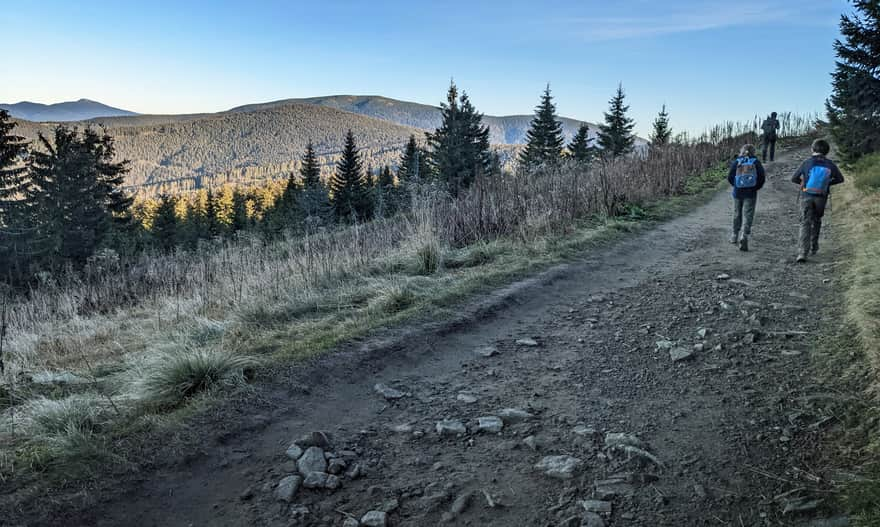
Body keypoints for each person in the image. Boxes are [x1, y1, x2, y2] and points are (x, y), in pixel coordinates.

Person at [791, 139, 844, 262]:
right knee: (816, 220)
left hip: (806, 195)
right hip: (821, 197)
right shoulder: (830, 164)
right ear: (827, 151)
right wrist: (827, 184)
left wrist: (803, 184)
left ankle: (802, 253)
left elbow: (794, 178)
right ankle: (814, 246)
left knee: (805, 222)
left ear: (812, 149)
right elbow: (840, 179)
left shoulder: (807, 163)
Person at [727, 144, 766, 252]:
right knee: (748, 215)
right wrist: (755, 187)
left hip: (738, 192)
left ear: (741, 151)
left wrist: (736, 185)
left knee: (737, 213)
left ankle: (734, 235)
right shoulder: (756, 162)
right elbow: (762, 177)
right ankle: (744, 235)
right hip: (751, 193)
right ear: (753, 152)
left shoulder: (737, 162)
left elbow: (730, 176)